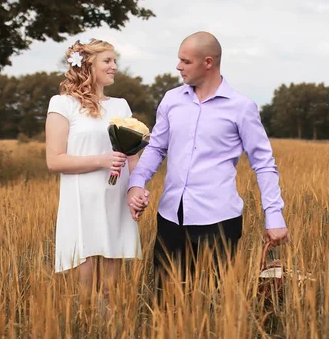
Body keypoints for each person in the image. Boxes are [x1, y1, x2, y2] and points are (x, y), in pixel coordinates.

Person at [127, 31, 289, 296]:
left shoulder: (241, 107)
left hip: (220, 222)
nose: (178, 66)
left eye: (185, 61)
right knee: (164, 303)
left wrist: (274, 216)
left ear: (208, 62)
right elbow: (156, 147)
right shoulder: (171, 100)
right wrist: (136, 183)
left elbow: (263, 164)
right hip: (170, 218)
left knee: (214, 305)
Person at [45, 38, 143, 302]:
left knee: (111, 295)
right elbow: (54, 161)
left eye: (114, 61)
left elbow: (132, 157)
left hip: (115, 201)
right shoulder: (62, 104)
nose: (114, 67)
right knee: (85, 294)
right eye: (108, 61)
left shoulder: (120, 106)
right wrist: (102, 160)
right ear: (88, 65)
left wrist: (137, 189)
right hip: (81, 202)